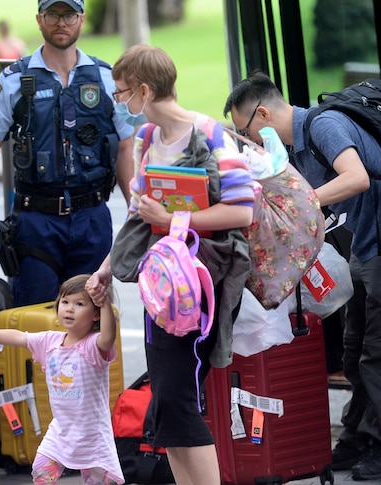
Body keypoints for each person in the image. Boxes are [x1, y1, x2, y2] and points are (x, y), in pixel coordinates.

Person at [223, 71, 381, 481]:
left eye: (246, 130)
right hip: (366, 246)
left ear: (262, 113)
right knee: (354, 350)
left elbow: (357, 178)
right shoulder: (294, 148)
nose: (251, 139)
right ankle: (355, 438)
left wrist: (304, 201)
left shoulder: (323, 124)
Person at [87, 45, 255, 485]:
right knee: (166, 403)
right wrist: (107, 267)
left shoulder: (211, 135)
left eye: (123, 94)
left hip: (199, 289)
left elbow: (242, 212)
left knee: (180, 400)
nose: (120, 104)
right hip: (160, 287)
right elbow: (136, 215)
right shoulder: (146, 140)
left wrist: (173, 219)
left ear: (145, 90)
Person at [0, 0, 135, 307]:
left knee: (90, 317)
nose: (60, 23)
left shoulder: (107, 79)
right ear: (39, 19)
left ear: (81, 19)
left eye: (68, 15)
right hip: (35, 221)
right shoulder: (14, 81)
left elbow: (126, 145)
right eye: (53, 14)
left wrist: (136, 208)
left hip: (91, 217)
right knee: (35, 318)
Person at [0, 273, 124, 484]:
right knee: (41, 471)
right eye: (65, 302)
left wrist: (105, 304)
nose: (69, 308)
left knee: (98, 482)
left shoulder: (92, 346)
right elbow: (19, 337)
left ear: (95, 315)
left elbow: (108, 336)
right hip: (61, 430)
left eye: (79, 304)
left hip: (92, 435)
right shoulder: (50, 341)